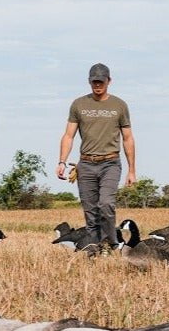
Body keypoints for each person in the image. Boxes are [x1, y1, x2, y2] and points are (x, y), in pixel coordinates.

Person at [56, 63, 136, 249]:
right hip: (86, 164)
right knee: (90, 211)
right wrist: (61, 161)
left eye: (101, 81)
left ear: (109, 81)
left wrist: (131, 170)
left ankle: (110, 244)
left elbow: (128, 138)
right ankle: (93, 247)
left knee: (106, 205)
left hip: (110, 163)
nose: (97, 85)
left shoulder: (119, 105)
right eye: (94, 82)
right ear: (89, 81)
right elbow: (68, 135)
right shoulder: (79, 104)